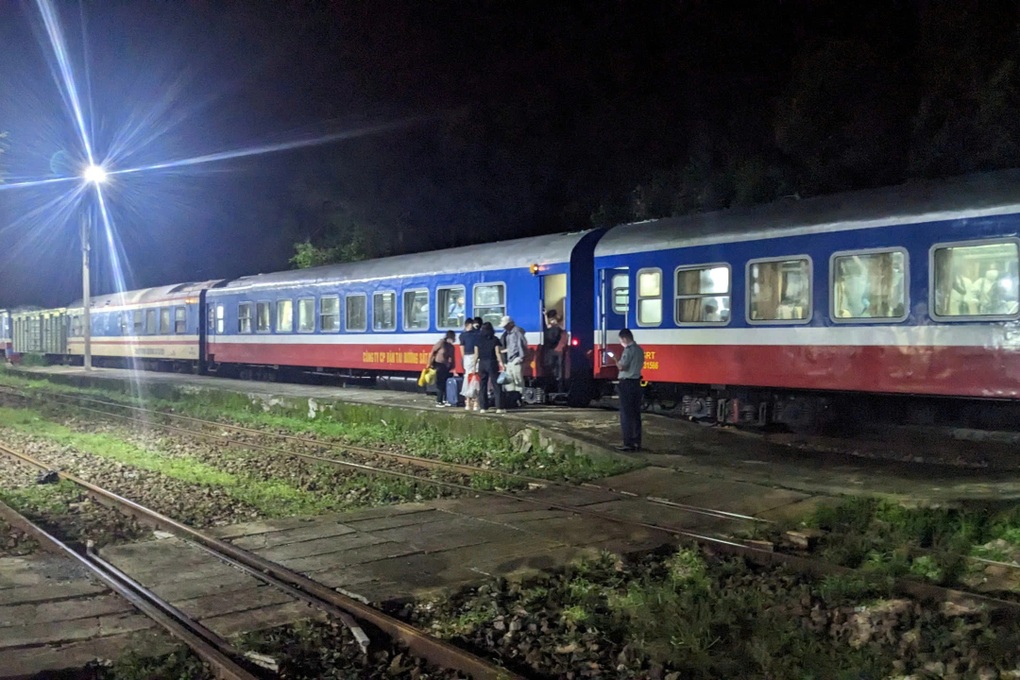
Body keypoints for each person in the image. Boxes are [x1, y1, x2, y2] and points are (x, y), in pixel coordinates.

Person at [608, 328, 644, 451]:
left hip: (626, 383)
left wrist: (615, 360)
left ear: (624, 338)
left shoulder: (628, 351)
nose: (621, 343)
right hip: (636, 383)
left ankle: (627, 443)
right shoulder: (639, 350)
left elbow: (622, 367)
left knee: (626, 414)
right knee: (636, 414)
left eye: (620, 341)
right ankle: (637, 442)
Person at [472, 321, 505, 413]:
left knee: (483, 386)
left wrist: (474, 367)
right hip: (492, 363)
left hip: (482, 363)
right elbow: (497, 353)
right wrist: (501, 364)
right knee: (496, 385)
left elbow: (476, 355)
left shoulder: (478, 340)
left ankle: (483, 407)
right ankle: (499, 407)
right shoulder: (495, 339)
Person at [498, 315, 527, 408]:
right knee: (510, 381)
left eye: (506, 325)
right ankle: (513, 399)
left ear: (511, 324)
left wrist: (521, 357)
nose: (504, 327)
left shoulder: (517, 332)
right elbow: (512, 347)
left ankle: (520, 399)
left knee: (518, 380)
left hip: (516, 359)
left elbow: (521, 345)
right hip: (510, 360)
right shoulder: (508, 333)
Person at [542, 309, 568, 392]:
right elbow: (548, 325)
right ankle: (558, 383)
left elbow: (548, 325)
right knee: (556, 367)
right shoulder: (558, 328)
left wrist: (545, 315)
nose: (551, 321)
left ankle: (557, 384)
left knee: (556, 367)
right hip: (557, 350)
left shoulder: (556, 328)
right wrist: (545, 315)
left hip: (554, 350)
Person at [428, 330, 456, 407]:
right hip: (438, 365)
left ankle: (446, 399)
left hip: (446, 366)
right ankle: (439, 401)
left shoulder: (451, 347)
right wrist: (429, 364)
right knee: (440, 383)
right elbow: (432, 352)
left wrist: (453, 367)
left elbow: (452, 357)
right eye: (453, 337)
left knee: (445, 383)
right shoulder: (441, 343)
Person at [459, 317, 481, 411]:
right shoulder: (477, 334)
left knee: (467, 378)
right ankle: (476, 403)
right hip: (476, 357)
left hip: (467, 357)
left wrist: (463, 359)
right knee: (476, 379)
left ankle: (467, 403)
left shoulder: (462, 335)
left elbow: (461, 348)